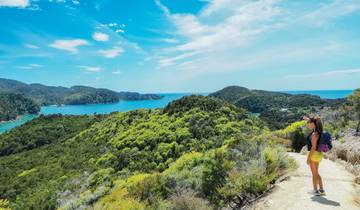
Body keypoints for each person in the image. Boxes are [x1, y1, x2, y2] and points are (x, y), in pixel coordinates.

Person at [304, 115, 326, 196]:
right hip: (319, 154)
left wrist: (308, 158)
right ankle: (321, 190)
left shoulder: (314, 134)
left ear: (313, 123)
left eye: (308, 123)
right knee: (316, 173)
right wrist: (308, 118)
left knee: (314, 174)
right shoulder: (319, 132)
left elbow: (313, 147)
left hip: (314, 154)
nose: (307, 124)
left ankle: (315, 190)